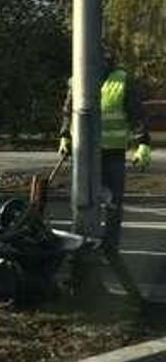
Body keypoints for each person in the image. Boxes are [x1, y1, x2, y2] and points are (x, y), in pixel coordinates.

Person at [59, 57, 152, 257]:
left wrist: (142, 143)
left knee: (113, 203)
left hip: (112, 152)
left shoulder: (121, 80)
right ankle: (82, 243)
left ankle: (109, 247)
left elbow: (136, 114)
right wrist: (65, 137)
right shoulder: (76, 79)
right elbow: (68, 111)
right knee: (82, 200)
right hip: (84, 152)